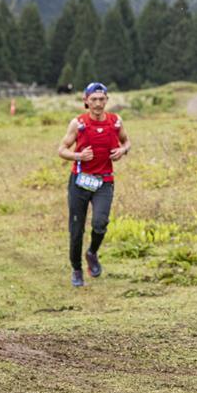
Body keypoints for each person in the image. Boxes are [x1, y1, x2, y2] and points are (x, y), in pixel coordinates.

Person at [58, 82, 131, 287]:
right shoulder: (78, 124)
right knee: (76, 229)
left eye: (102, 99)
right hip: (80, 182)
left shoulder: (116, 122)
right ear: (86, 101)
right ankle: (76, 269)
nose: (98, 104)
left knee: (100, 223)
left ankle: (91, 253)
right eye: (94, 100)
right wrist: (78, 155)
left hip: (104, 181)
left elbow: (127, 141)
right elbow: (61, 149)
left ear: (107, 100)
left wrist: (122, 151)